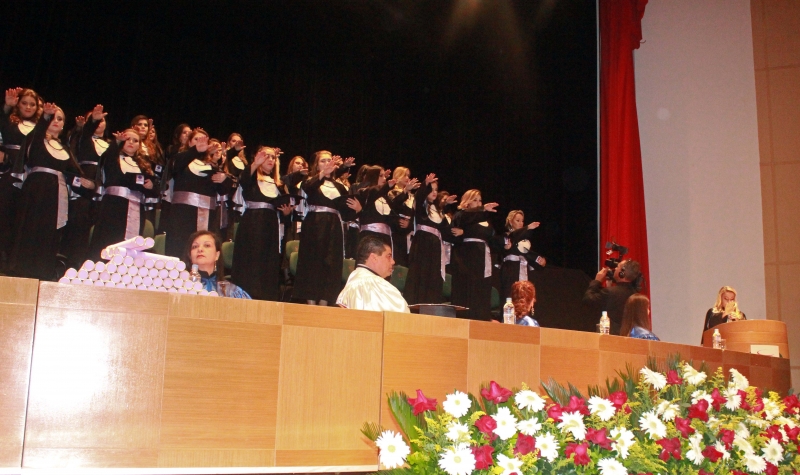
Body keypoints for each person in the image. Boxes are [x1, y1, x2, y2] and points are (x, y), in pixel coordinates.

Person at [8, 102, 93, 280]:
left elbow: (74, 173)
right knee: (31, 230)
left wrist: (89, 184)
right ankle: (23, 272)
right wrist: (44, 117)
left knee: (49, 234)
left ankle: (42, 272)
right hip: (35, 192)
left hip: (56, 196)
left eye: (60, 119)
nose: (56, 121)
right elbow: (37, 135)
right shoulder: (36, 138)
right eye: (52, 118)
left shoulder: (64, 148)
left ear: (63, 125)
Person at [294, 151, 360, 305]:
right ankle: (311, 304)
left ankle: (324, 304)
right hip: (315, 225)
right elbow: (307, 188)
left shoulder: (340, 187)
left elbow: (346, 212)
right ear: (316, 165)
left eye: (329, 160)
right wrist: (323, 173)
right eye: (322, 161)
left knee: (331, 263)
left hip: (334, 227)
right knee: (313, 262)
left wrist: (357, 209)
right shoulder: (310, 182)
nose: (327, 163)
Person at [230, 146, 294, 301]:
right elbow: (243, 180)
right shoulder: (252, 178)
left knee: (268, 264)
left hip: (271, 228)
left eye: (273, 157)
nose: (270, 160)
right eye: (266, 156)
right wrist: (255, 164)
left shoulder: (279, 185)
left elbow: (283, 212)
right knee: (250, 262)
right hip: (252, 225)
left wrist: (286, 213)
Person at [163, 129, 228, 257]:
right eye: (196, 139)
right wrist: (195, 150)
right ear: (189, 142)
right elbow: (175, 167)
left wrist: (224, 179)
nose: (200, 142)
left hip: (207, 217)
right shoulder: (181, 159)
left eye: (204, 140)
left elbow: (222, 191)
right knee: (181, 251)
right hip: (182, 217)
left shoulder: (211, 166)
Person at [0, 87, 42, 271]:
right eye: (24, 103)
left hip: (31, 176)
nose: (28, 107)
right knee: (4, 215)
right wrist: (6, 107)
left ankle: (16, 262)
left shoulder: (40, 128)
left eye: (32, 104)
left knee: (23, 219)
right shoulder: (10, 121)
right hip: (8, 173)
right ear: (18, 104)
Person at [403, 173, 461, 304]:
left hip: (435, 248)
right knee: (421, 275)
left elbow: (446, 231)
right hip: (422, 245)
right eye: (431, 189)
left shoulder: (438, 210)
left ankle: (431, 306)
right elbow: (419, 196)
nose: (434, 192)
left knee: (433, 277)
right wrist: (425, 184)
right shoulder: (421, 206)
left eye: (436, 190)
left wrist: (461, 232)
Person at [450, 189, 502, 321]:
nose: (479, 203)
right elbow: (459, 225)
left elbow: (492, 237)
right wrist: (482, 209)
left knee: (482, 287)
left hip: (483, 257)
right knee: (469, 288)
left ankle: (482, 318)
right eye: (475, 200)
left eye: (480, 200)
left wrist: (505, 242)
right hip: (467, 257)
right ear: (467, 202)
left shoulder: (485, 220)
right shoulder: (462, 214)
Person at [336, 235, 410, 312]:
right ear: (374, 258)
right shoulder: (374, 285)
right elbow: (401, 314)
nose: (393, 262)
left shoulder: (351, 283)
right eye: (388, 256)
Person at [583, 259, 642, 335]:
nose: (615, 269)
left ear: (622, 273)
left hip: (611, 337)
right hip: (628, 336)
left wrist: (597, 281)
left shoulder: (610, 292)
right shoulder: (635, 294)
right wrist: (609, 287)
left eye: (618, 267)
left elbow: (588, 300)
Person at [185, 230, 250, 299]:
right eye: (195, 246)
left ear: (217, 255)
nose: (200, 249)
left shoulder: (232, 292)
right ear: (190, 256)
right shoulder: (182, 286)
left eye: (207, 245)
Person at [500, 210, 546, 300]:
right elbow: (513, 238)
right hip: (510, 272)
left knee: (524, 300)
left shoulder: (525, 241)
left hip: (524, 271)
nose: (521, 223)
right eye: (518, 220)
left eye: (522, 221)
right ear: (510, 222)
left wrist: (540, 261)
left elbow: (529, 254)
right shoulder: (506, 236)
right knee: (511, 298)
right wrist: (528, 227)